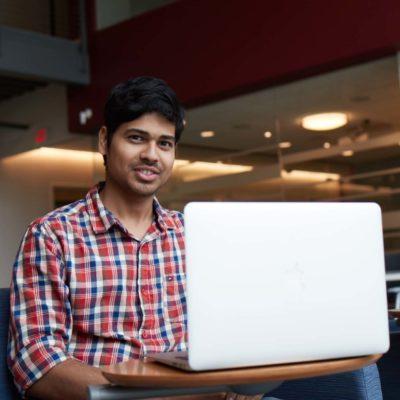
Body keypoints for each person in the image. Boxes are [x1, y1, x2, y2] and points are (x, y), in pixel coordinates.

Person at [7, 77, 272, 400]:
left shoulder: (193, 235)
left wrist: (245, 376)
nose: (151, 154)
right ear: (105, 141)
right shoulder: (52, 235)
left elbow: (230, 330)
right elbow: (38, 365)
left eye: (165, 143)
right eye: (136, 138)